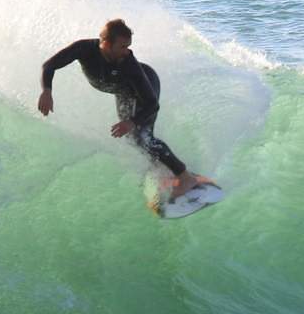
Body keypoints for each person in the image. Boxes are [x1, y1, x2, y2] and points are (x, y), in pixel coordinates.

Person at [38, 19, 203, 197]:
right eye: (123, 46)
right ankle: (161, 167)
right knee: (134, 138)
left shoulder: (129, 63)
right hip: (124, 93)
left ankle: (186, 178)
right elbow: (50, 65)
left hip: (145, 88)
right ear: (107, 44)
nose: (128, 51)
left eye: (128, 46)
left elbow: (152, 104)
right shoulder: (84, 49)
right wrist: (47, 91)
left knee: (143, 137)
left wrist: (131, 122)